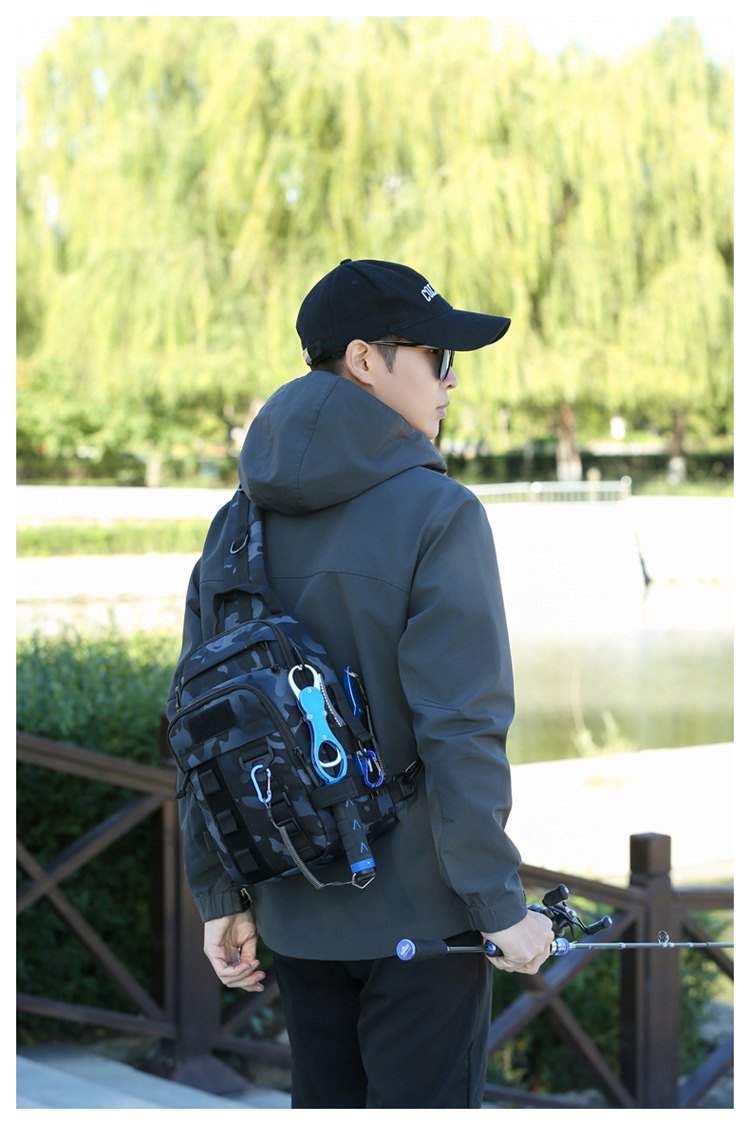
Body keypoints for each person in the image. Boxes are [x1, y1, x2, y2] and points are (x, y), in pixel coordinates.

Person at [169, 258, 553, 1109]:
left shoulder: (235, 522)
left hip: (294, 912)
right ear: (365, 360)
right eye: (437, 357)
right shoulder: (440, 515)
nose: (452, 381)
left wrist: (218, 895)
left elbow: (196, 724)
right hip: (423, 925)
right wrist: (500, 905)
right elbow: (461, 728)